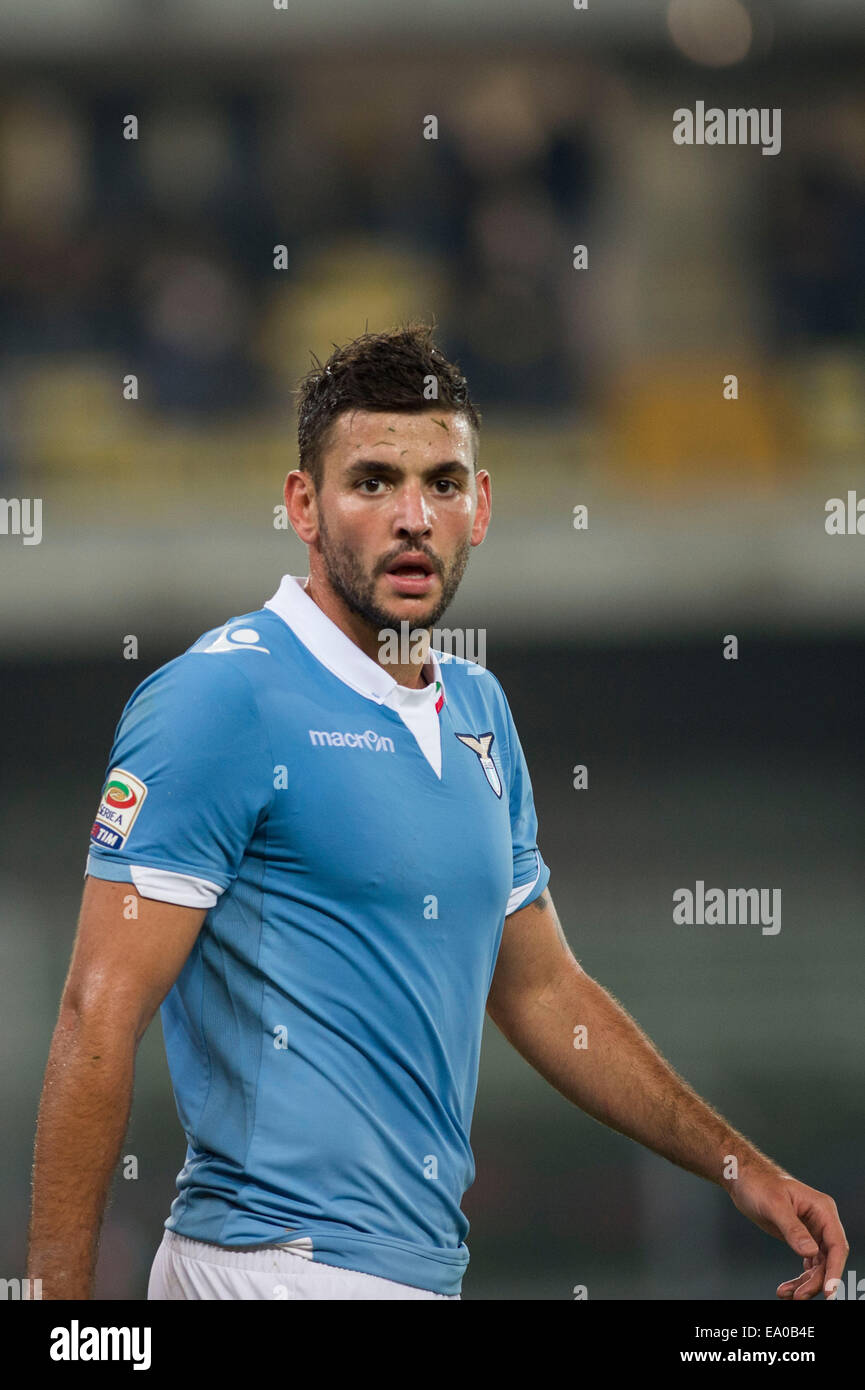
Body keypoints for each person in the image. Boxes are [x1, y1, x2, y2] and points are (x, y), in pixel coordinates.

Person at [28, 324, 847, 1300]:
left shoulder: (479, 711)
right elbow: (96, 1012)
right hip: (267, 1271)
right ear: (302, 503)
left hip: (412, 1274)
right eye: (372, 480)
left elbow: (545, 992)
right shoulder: (221, 700)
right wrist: (59, 1316)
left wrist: (735, 1166)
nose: (412, 515)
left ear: (482, 505)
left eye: (443, 483)